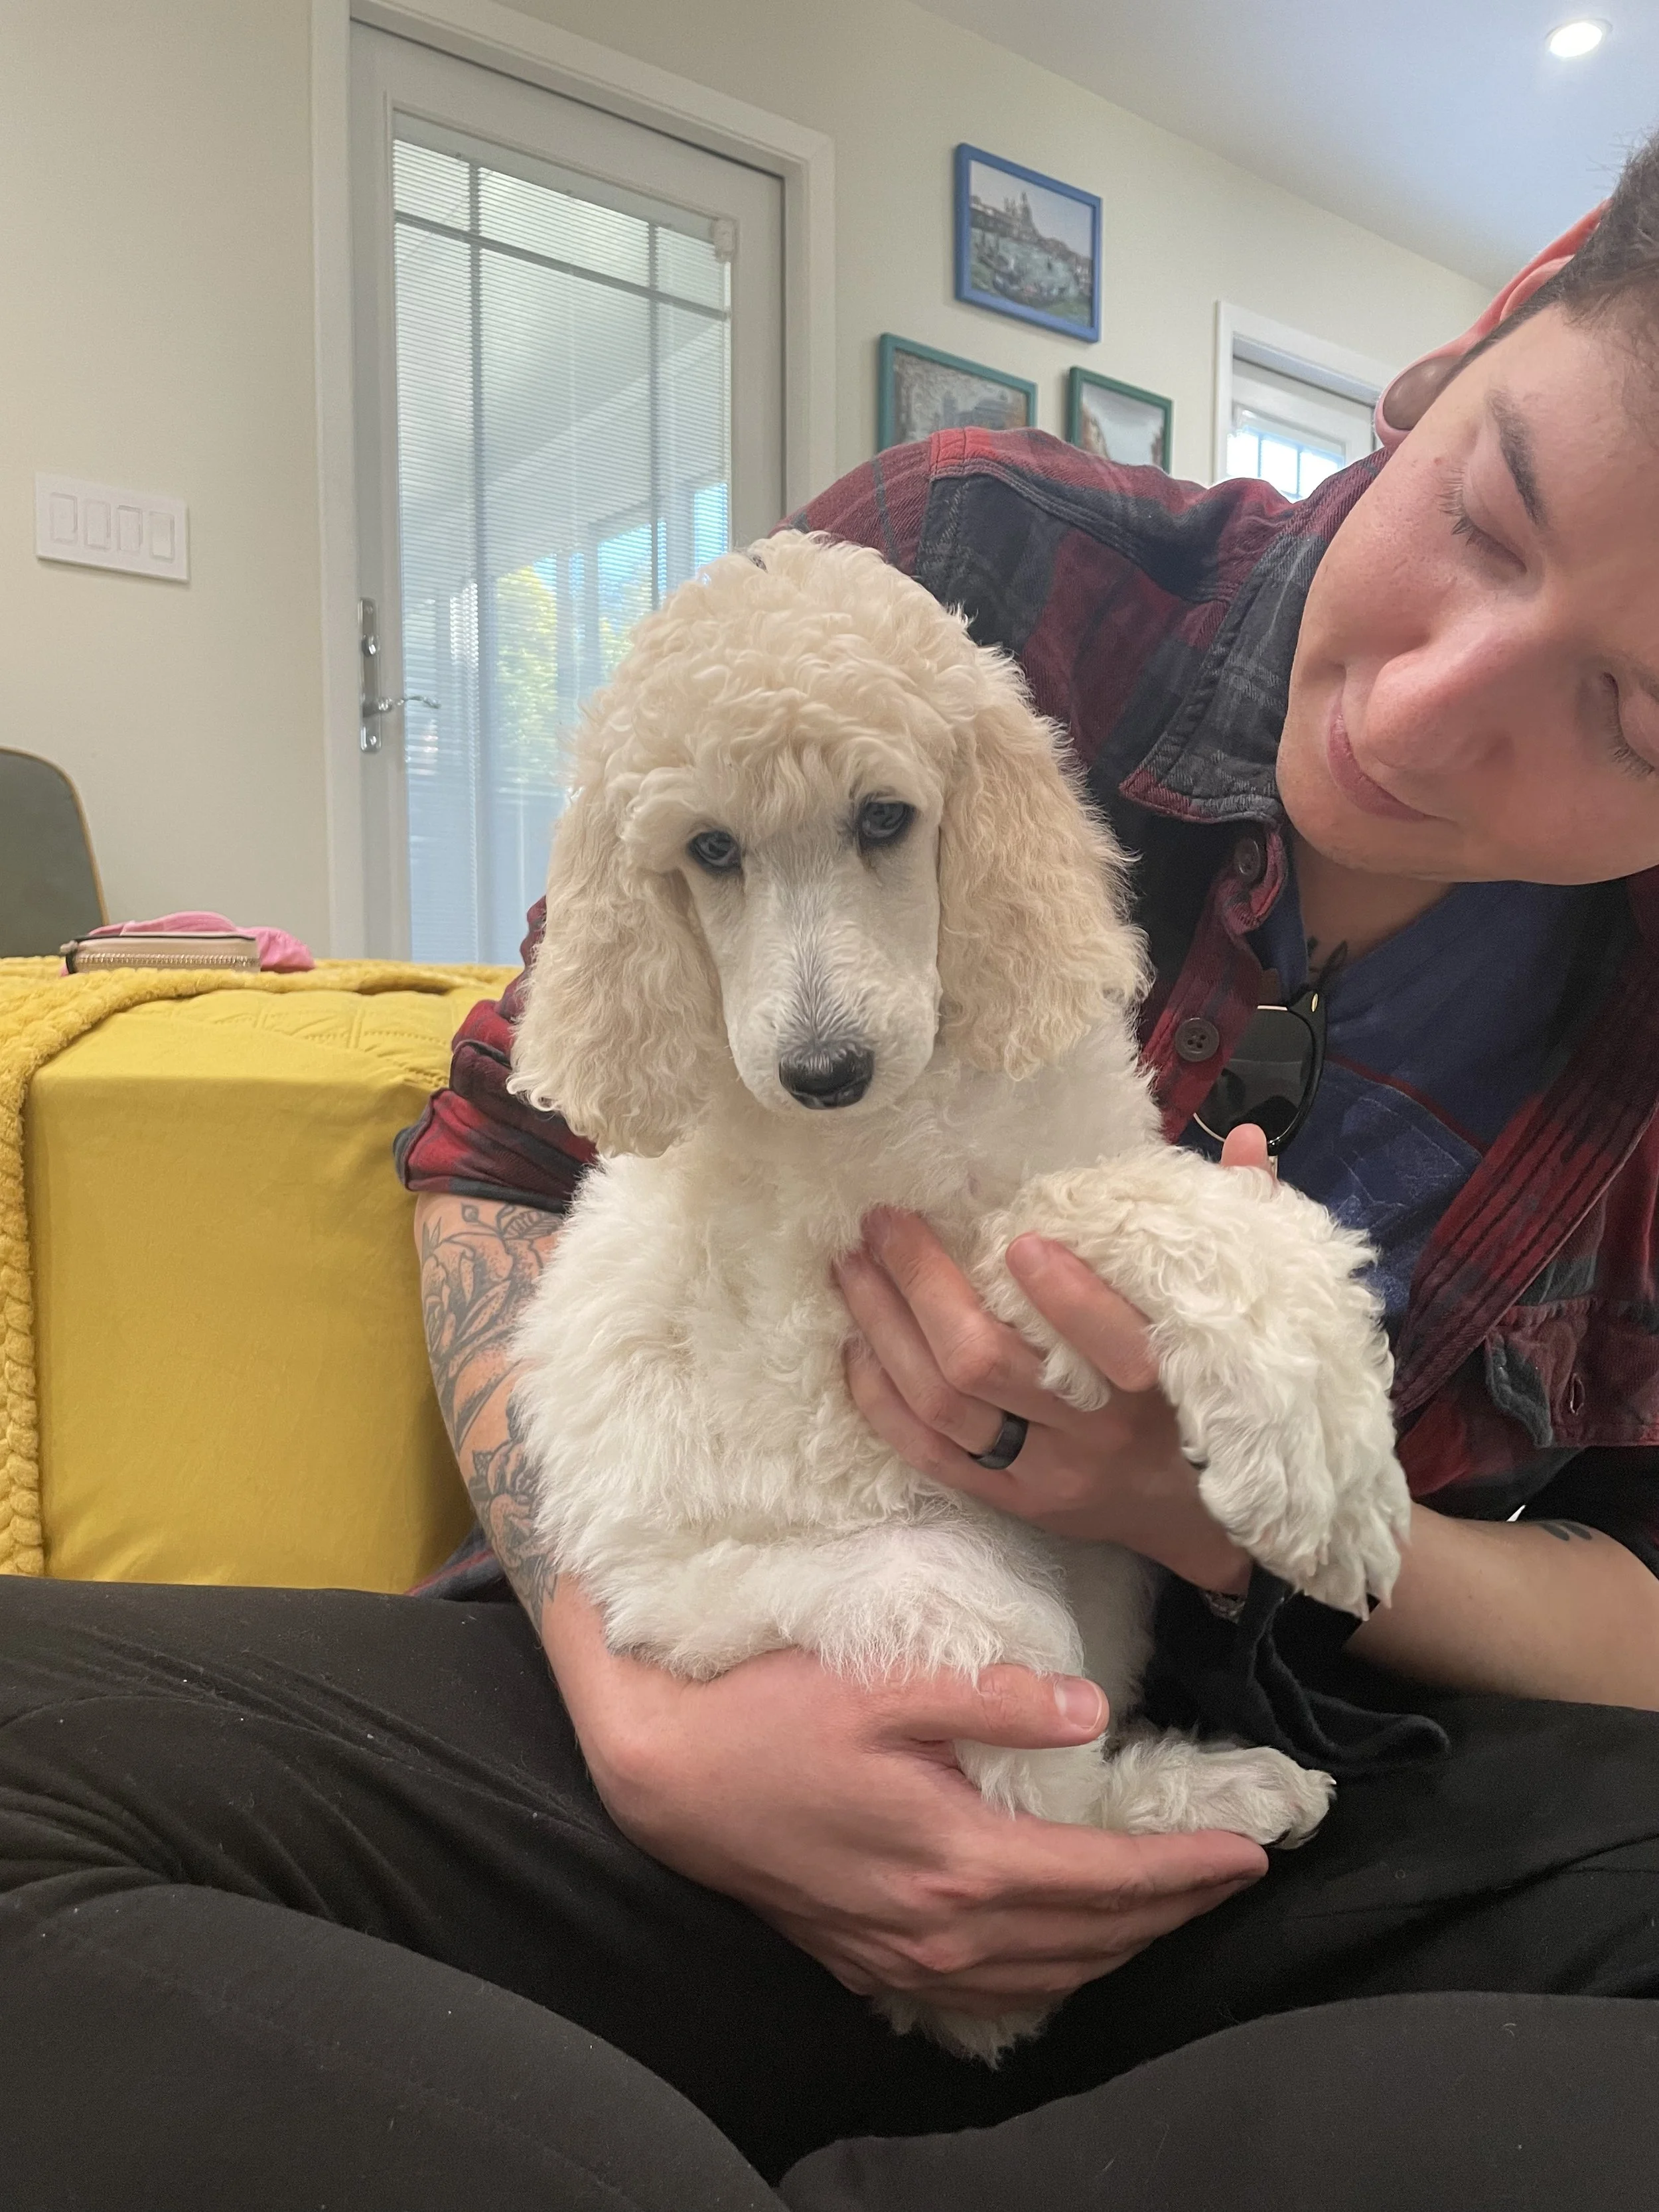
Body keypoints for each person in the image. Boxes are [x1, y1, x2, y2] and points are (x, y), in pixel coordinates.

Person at [7, 136, 1659, 2211]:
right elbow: (513, 1146)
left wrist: (1220, 1503)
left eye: (1632, 716)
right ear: (1479, 332)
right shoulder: (965, 554)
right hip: (698, 1713)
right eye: (1487, 523)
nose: (1430, 714)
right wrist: (655, 1727)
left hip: (1311, 1819)